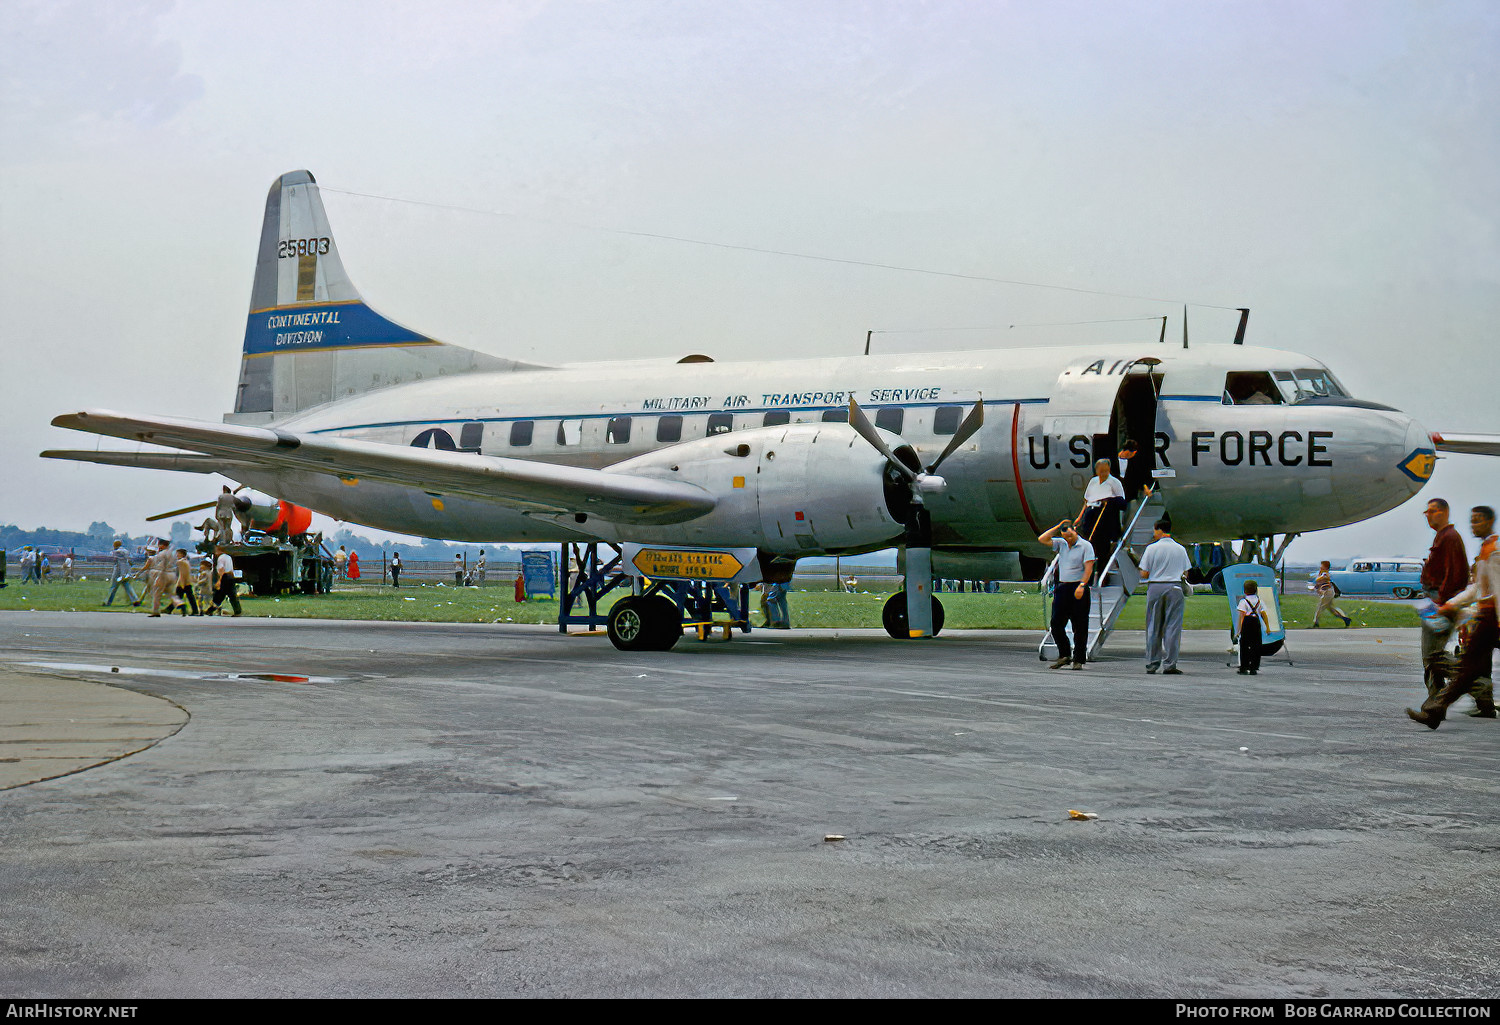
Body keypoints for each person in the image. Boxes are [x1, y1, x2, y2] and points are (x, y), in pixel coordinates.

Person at [1407, 505, 1498, 728]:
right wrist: (1451, 605)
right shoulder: (1485, 549)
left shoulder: (1493, 550)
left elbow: (1495, 589)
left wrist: (1447, 603)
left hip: (1492, 617)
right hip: (1486, 616)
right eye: (1472, 520)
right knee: (1467, 668)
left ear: (1489, 521)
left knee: (1458, 665)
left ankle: (1441, 706)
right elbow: (1477, 588)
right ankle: (1435, 711)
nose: (1473, 525)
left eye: (1478, 520)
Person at [1418, 498, 1469, 699]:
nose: (1428, 515)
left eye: (1433, 511)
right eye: (1427, 512)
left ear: (1445, 512)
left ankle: (1476, 680)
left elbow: (1457, 573)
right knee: (1430, 656)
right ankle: (1436, 700)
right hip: (1435, 600)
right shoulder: (1442, 536)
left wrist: (1443, 602)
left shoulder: (1450, 537)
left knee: (1433, 656)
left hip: (1441, 602)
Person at [1038, 519, 1096, 669]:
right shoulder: (1062, 544)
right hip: (1063, 586)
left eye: (1070, 536)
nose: (1068, 539)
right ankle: (1064, 654)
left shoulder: (1085, 546)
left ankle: (1079, 659)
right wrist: (1057, 527)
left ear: (1075, 531)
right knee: (1056, 623)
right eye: (1065, 536)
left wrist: (1082, 585)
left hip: (1078, 586)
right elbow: (1042, 539)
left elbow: (1088, 568)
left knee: (1080, 624)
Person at [1139, 519, 1191, 675]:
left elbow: (1144, 573)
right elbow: (1186, 571)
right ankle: (1170, 664)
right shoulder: (1180, 549)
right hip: (1174, 587)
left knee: (1154, 626)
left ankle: (1152, 662)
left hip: (1155, 586)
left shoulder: (1151, 549)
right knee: (1172, 627)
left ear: (1159, 530)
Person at [1076, 459, 1126, 572]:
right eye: (1101, 471)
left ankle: (1102, 570)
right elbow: (1086, 500)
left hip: (1104, 512)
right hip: (1091, 510)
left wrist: (1109, 501)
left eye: (1106, 471)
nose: (1104, 474)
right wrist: (1080, 517)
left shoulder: (1114, 482)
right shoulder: (1093, 481)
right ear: (1097, 470)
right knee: (1089, 538)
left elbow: (1121, 500)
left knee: (1102, 542)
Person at [1236, 580, 1269, 675]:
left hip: (1247, 622)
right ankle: (1254, 667)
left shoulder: (1243, 601)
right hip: (1256, 622)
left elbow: (1242, 616)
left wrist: (1239, 629)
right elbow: (1264, 614)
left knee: (1245, 645)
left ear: (1245, 591)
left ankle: (1244, 667)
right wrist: (1267, 627)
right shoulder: (1259, 601)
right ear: (1256, 590)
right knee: (1256, 645)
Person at [1311, 560, 1351, 627]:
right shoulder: (1323, 573)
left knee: (1320, 607)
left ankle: (1316, 622)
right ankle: (1345, 619)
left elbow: (1319, 579)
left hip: (1328, 592)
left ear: (1325, 567)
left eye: (1322, 566)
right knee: (1331, 609)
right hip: (1328, 592)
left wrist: (1320, 574)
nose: (1320, 567)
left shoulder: (1325, 573)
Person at [207, 545, 243, 616]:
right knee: (231, 595)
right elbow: (231, 569)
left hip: (224, 577)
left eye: (216, 550)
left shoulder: (221, 558)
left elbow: (221, 570)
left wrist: (219, 581)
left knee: (219, 594)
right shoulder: (228, 557)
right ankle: (237, 611)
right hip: (230, 577)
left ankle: (211, 609)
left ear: (219, 550)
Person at [103, 540, 140, 606]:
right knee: (127, 586)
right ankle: (135, 600)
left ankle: (107, 602)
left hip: (118, 571)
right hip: (126, 572)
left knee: (113, 587)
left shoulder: (117, 552)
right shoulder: (126, 551)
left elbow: (114, 560)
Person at [173, 548, 200, 616]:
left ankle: (183, 608)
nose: (177, 555)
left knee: (178, 597)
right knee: (189, 597)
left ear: (181, 554)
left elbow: (182, 574)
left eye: (178, 553)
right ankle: (194, 610)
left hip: (182, 582)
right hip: (187, 582)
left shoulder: (180, 562)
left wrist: (181, 583)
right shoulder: (186, 561)